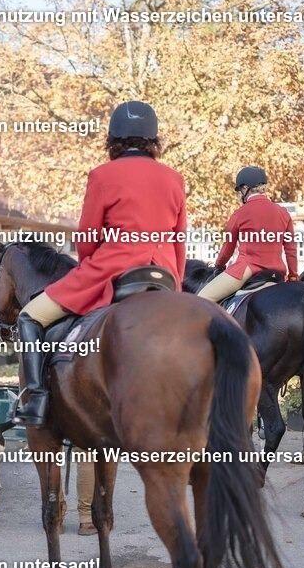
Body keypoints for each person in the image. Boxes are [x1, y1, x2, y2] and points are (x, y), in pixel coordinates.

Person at [13, 100, 187, 426]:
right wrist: (175, 284)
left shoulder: (102, 175)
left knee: (29, 316)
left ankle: (35, 399)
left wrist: (88, 268)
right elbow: (179, 240)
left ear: (114, 139)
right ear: (153, 140)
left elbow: (88, 238)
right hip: (163, 275)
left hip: (112, 269)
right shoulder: (174, 179)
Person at [197, 166, 298, 301]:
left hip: (246, 270)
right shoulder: (283, 213)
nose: (240, 195)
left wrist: (219, 265)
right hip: (277, 273)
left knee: (202, 298)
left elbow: (228, 248)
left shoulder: (240, 214)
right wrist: (293, 276)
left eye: (240, 191)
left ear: (245, 188)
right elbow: (291, 249)